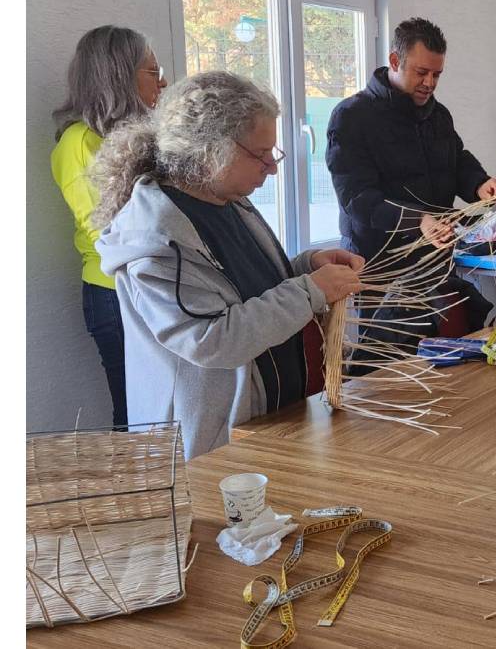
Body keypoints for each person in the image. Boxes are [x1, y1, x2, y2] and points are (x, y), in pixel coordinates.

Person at [92, 71, 364, 460]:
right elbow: (212, 339)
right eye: (259, 154)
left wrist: (307, 267)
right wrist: (311, 290)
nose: (271, 167)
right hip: (208, 447)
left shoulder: (228, 198)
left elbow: (246, 289)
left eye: (274, 152)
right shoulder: (156, 242)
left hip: (267, 423)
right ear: (208, 151)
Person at [325, 17, 496, 338]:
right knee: (386, 366)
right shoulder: (352, 117)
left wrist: (480, 184)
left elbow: (457, 161)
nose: (430, 83)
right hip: (379, 266)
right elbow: (357, 200)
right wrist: (418, 220)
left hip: (433, 260)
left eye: (437, 75)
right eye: (422, 73)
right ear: (394, 61)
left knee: (445, 351)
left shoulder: (437, 114)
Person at [50, 25, 168, 431]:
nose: (164, 81)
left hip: (152, 287)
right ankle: (138, 497)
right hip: (115, 293)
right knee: (137, 413)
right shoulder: (79, 141)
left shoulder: (146, 137)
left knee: (166, 408)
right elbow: (111, 228)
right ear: (119, 76)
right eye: (152, 72)